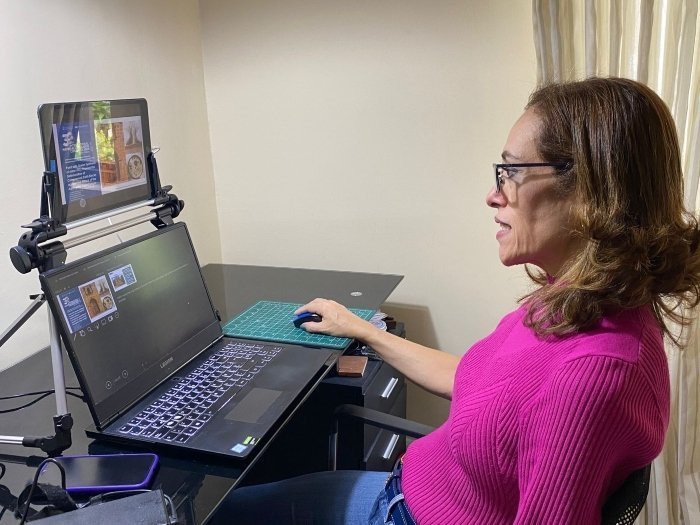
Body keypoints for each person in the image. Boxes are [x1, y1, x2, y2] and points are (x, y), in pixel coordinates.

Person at [210, 77, 700, 524]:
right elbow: (471, 378)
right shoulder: (575, 300)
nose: (493, 195)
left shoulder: (596, 372)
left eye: (510, 172)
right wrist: (362, 330)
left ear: (590, 191)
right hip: (406, 491)